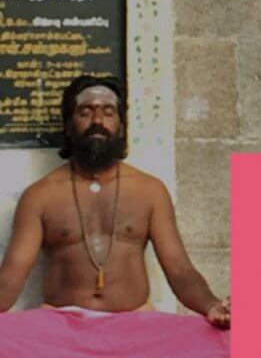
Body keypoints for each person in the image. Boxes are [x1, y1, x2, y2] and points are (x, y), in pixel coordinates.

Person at [0, 75, 230, 329]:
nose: (97, 121)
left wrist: (211, 306)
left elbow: (179, 270)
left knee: (224, 340)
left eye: (108, 112)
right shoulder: (39, 196)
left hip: (135, 325)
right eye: (85, 112)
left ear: (121, 126)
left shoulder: (150, 191)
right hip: (60, 327)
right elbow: (11, 276)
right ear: (68, 125)